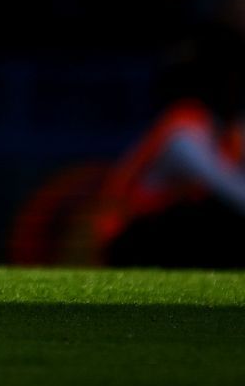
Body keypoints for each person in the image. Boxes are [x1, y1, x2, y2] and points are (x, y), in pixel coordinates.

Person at [95, 28, 245, 268]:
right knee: (216, 217)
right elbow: (224, 185)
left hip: (163, 230)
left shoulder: (219, 127)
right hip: (130, 238)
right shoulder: (181, 129)